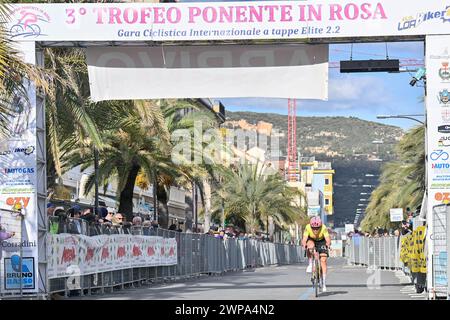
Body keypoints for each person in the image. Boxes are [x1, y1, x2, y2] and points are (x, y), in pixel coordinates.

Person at [301, 216, 331, 292]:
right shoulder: (307, 227)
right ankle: (311, 263)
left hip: (322, 241)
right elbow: (304, 239)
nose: (315, 230)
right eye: (313, 228)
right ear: (310, 226)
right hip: (311, 240)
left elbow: (327, 239)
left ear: (320, 226)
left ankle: (323, 283)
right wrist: (304, 244)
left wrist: (328, 244)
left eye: (317, 228)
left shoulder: (324, 228)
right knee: (310, 246)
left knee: (323, 260)